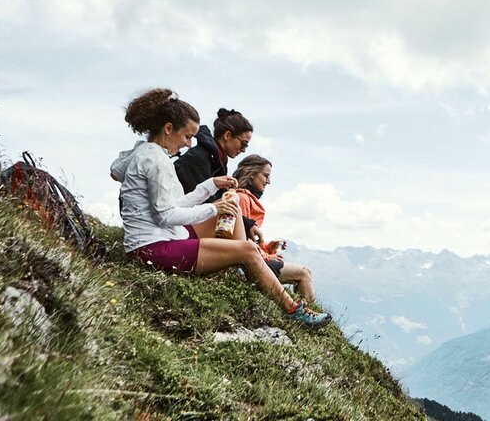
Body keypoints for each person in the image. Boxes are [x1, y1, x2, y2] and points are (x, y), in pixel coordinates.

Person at [110, 88, 329, 327]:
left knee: (231, 209)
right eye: (186, 136)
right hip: (152, 249)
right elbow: (166, 215)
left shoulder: (146, 152)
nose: (188, 144)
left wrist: (209, 186)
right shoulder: (155, 160)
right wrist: (214, 207)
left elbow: (126, 177)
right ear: (168, 128)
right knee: (245, 248)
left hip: (164, 236)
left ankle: (245, 263)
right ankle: (292, 308)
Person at [230, 154, 316, 303]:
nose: (268, 181)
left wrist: (267, 248)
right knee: (304, 273)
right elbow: (241, 240)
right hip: (249, 265)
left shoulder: (245, 197)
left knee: (303, 273)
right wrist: (267, 257)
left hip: (251, 259)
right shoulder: (242, 198)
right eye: (266, 176)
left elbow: (246, 237)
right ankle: (308, 318)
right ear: (251, 174)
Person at [173, 107, 253, 195]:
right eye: (244, 143)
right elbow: (195, 201)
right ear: (227, 135)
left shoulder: (217, 161)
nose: (244, 150)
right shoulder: (199, 157)